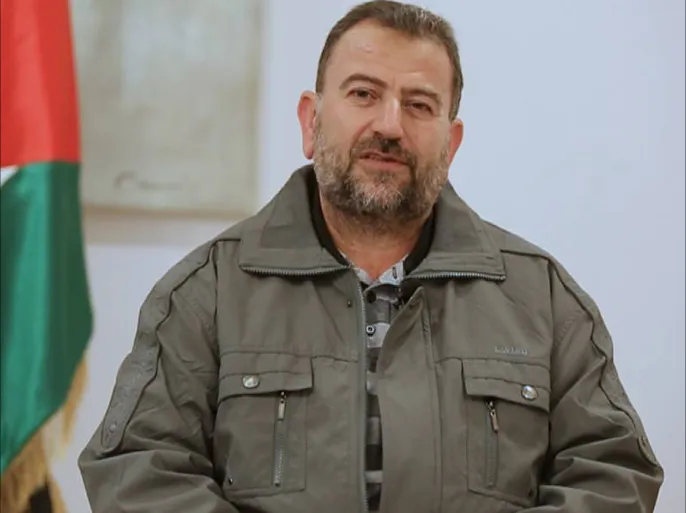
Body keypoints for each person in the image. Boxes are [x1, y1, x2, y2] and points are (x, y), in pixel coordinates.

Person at [78, 1, 664, 512]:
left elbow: (612, 473)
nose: (389, 125)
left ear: (451, 142)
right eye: (363, 94)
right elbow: (139, 470)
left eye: (420, 105)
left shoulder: (541, 298)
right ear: (311, 121)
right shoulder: (207, 292)